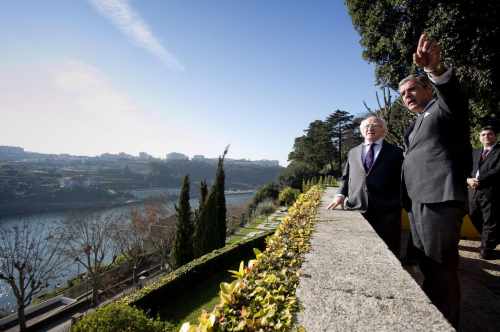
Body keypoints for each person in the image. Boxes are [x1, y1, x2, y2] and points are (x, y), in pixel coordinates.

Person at [399, 33, 472, 328]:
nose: (407, 96)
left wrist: (435, 69)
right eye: (402, 95)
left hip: (440, 200)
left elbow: (453, 96)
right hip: (417, 203)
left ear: (428, 89)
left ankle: (448, 323)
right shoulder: (415, 124)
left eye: (412, 89)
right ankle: (433, 320)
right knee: (428, 267)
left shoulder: (443, 110)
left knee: (442, 269)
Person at [327, 116, 404, 256]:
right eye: (366, 126)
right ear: (362, 131)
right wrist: (340, 195)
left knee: (389, 254)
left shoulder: (396, 152)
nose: (370, 128)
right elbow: (346, 177)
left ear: (384, 130)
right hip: (356, 207)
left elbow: (403, 180)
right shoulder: (353, 152)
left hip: (387, 211)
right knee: (356, 252)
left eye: (375, 125)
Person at [467, 126, 500, 259]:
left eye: (489, 134)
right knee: (473, 215)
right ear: (479, 138)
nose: (486, 136)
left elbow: (498, 170)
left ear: (495, 136)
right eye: (483, 134)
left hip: (491, 192)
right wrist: (468, 179)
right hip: (473, 192)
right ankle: (491, 239)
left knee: (490, 221)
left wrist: (479, 180)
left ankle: (486, 249)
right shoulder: (475, 152)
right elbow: (467, 169)